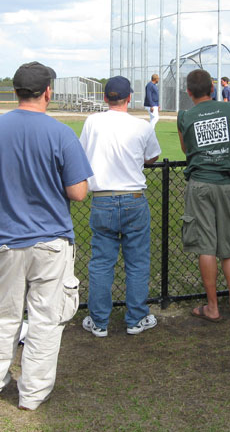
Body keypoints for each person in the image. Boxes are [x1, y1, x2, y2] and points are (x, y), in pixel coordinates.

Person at [0, 61, 93, 410]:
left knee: (2, 317)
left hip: (7, 242)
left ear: (16, 91)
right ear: (48, 92)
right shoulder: (61, 133)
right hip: (51, 242)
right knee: (45, 320)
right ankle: (32, 394)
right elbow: (78, 192)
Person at [79, 76, 162, 337]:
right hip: (133, 198)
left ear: (105, 98)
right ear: (129, 98)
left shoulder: (93, 122)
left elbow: (82, 153)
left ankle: (99, 321)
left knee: (102, 262)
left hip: (102, 199)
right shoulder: (141, 126)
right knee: (136, 262)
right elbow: (152, 156)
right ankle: (136, 318)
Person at [177, 68, 230, 322]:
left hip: (200, 185)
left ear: (189, 92)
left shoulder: (185, 116)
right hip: (228, 185)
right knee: (229, 246)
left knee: (206, 245)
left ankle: (212, 307)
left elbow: (186, 149)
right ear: (212, 88)